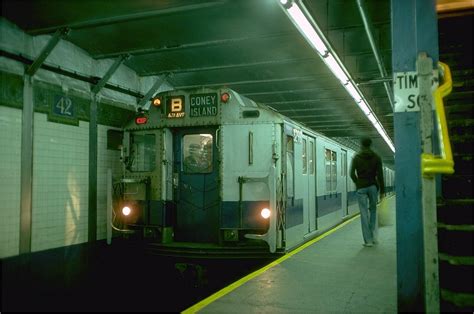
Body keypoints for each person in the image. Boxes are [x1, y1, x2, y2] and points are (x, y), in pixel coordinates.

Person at [350, 137, 385, 247]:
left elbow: (351, 173)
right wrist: (382, 190)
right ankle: (374, 237)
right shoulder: (376, 157)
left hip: (361, 187)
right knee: (373, 210)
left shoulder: (356, 157)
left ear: (361, 145)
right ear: (370, 145)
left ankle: (368, 241)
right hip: (373, 187)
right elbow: (380, 175)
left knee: (364, 213)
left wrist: (358, 182)